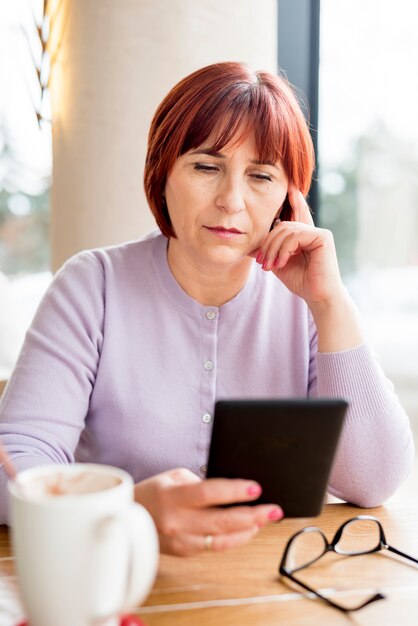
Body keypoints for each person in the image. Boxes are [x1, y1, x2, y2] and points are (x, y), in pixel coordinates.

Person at [0, 62, 414, 555]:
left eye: (261, 176)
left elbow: (373, 483)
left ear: (288, 198)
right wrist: (127, 512)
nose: (231, 201)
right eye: (205, 166)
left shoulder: (308, 304)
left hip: (271, 585)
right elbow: (16, 465)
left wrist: (330, 302)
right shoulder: (93, 285)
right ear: (163, 174)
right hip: (122, 570)